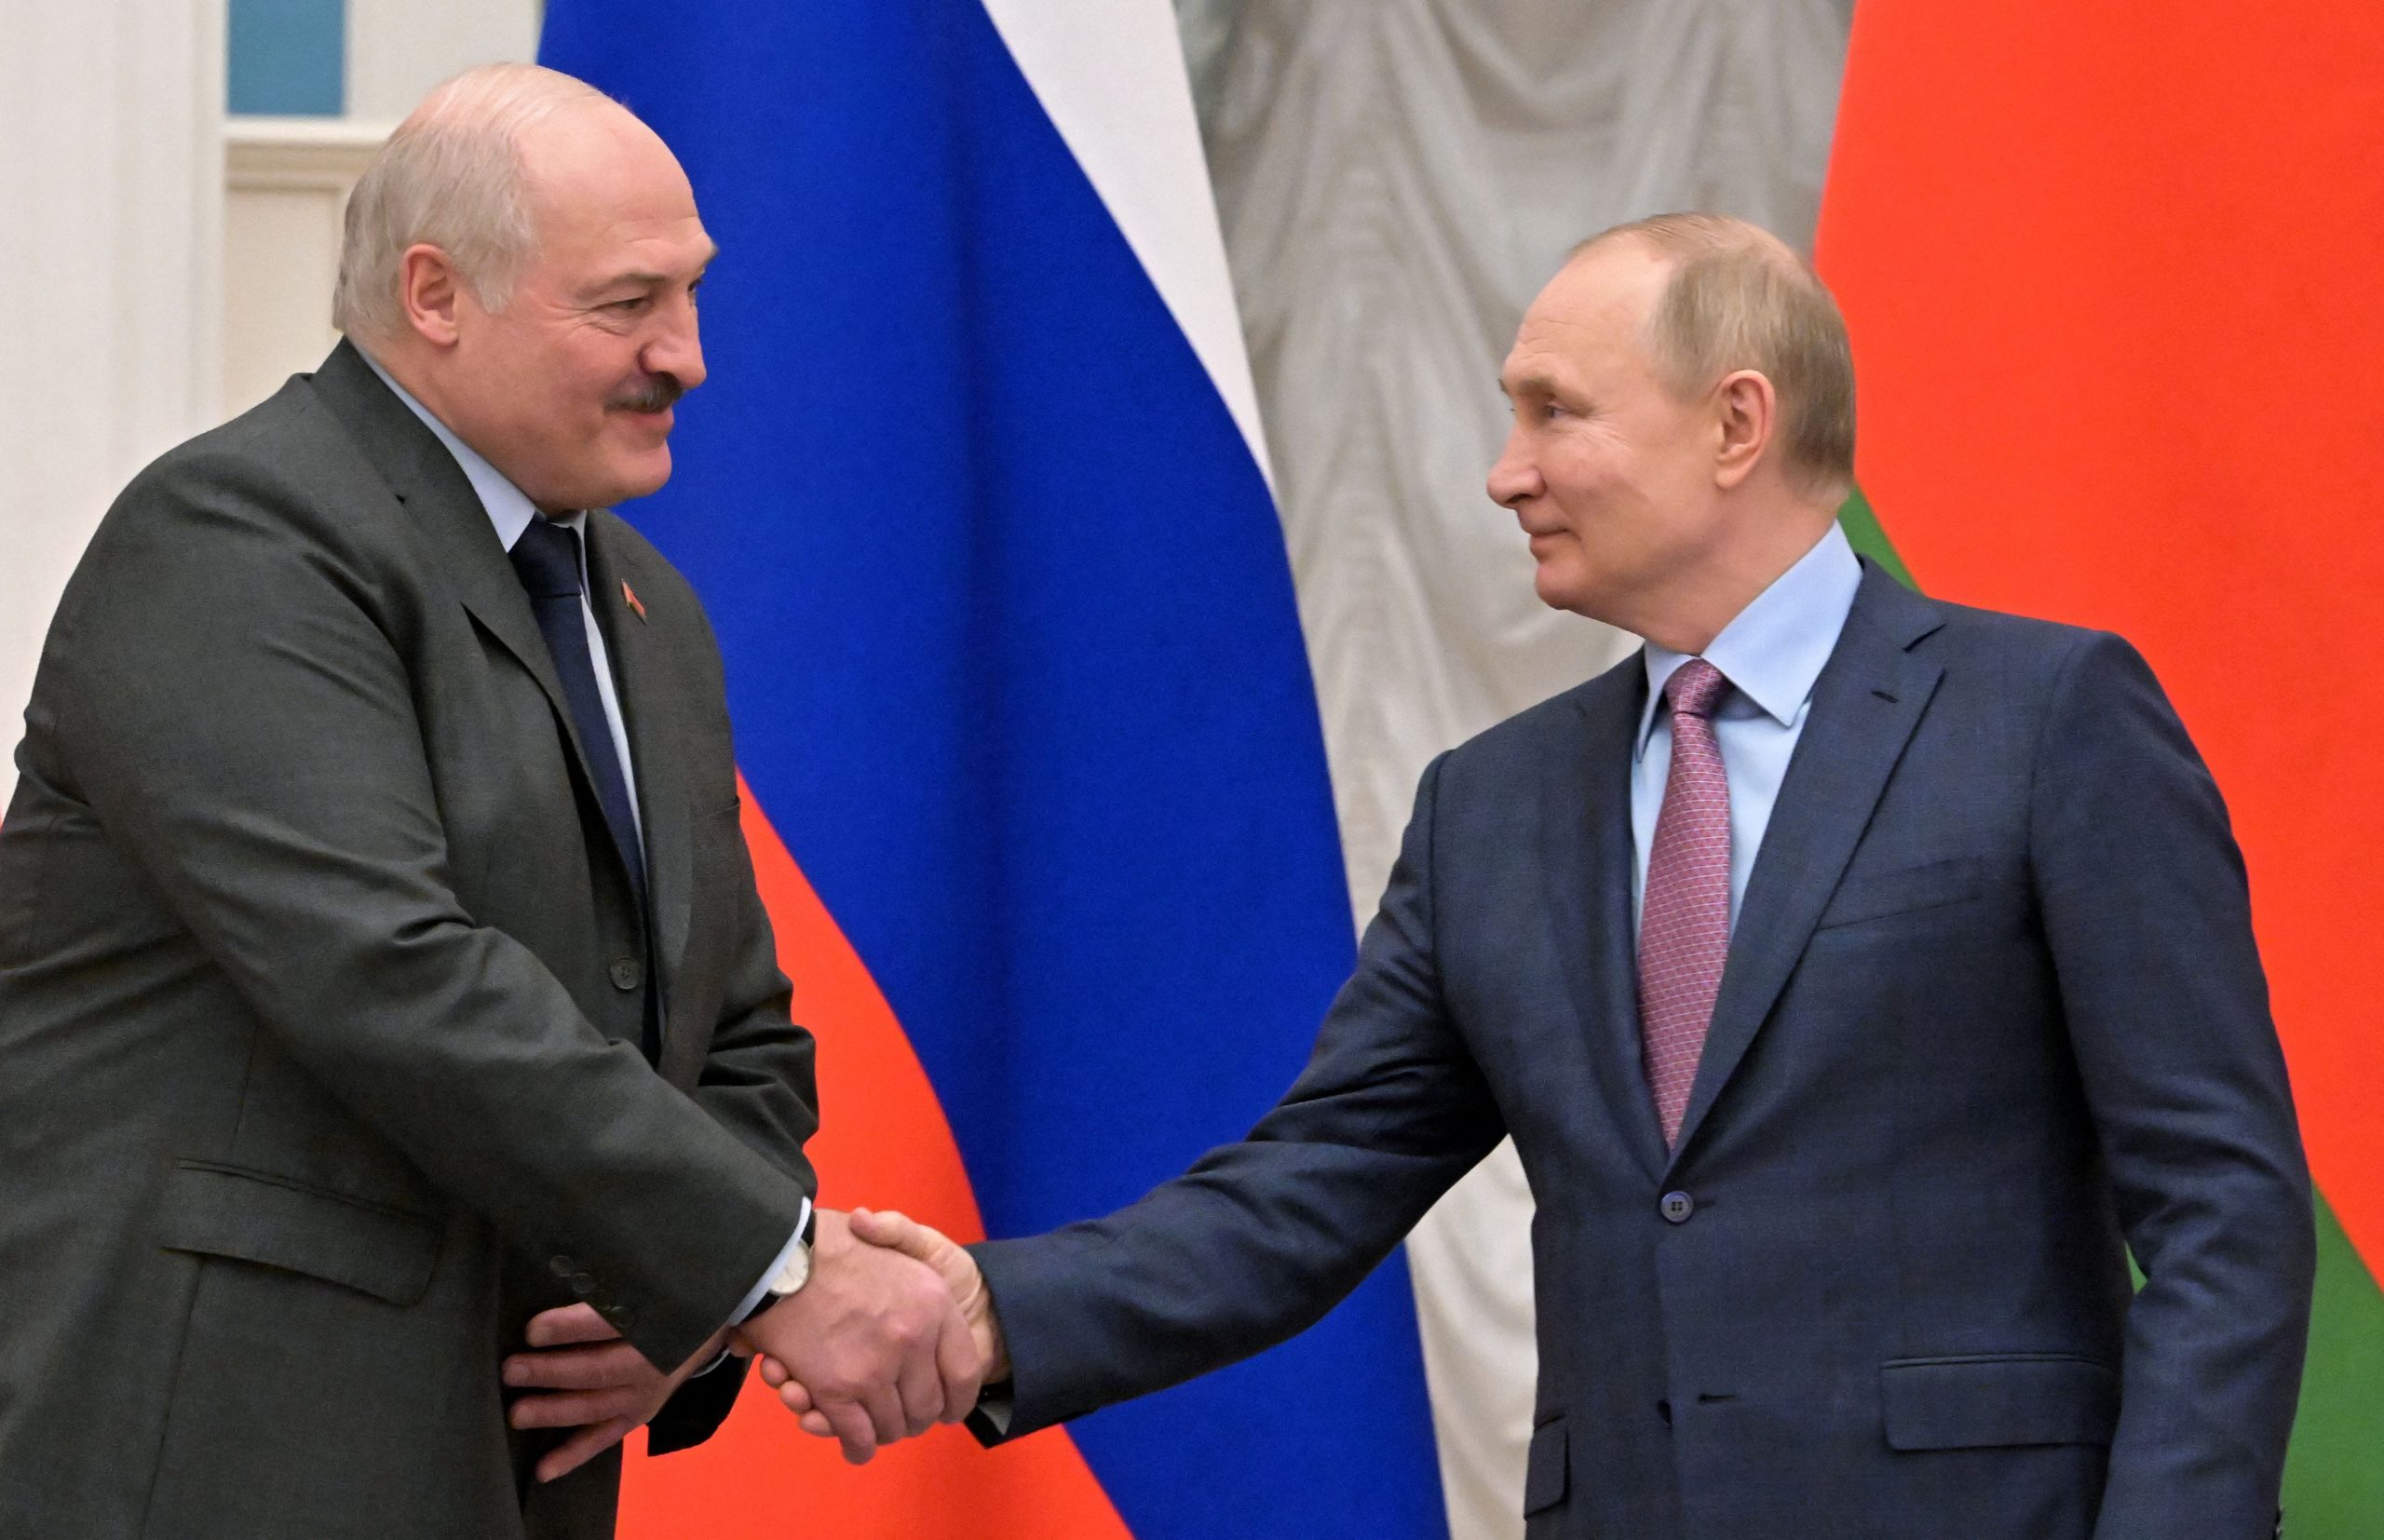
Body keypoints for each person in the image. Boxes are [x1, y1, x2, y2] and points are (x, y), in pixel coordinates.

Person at [778, 215, 2317, 1538]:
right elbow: (1309, 1189)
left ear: (1736, 423)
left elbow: (2223, 1205)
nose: (1506, 473)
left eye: (1555, 412)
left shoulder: (2047, 718)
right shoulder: (1491, 806)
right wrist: (987, 1312)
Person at [0, 64, 979, 1540]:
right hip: (224, 1458)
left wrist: (690, 1308)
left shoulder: (647, 607)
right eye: (628, 302)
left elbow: (743, 1029)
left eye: (693, 294)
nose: (690, 356)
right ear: (435, 294)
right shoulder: (239, 538)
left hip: (511, 1471)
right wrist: (774, 1271)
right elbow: (390, 972)